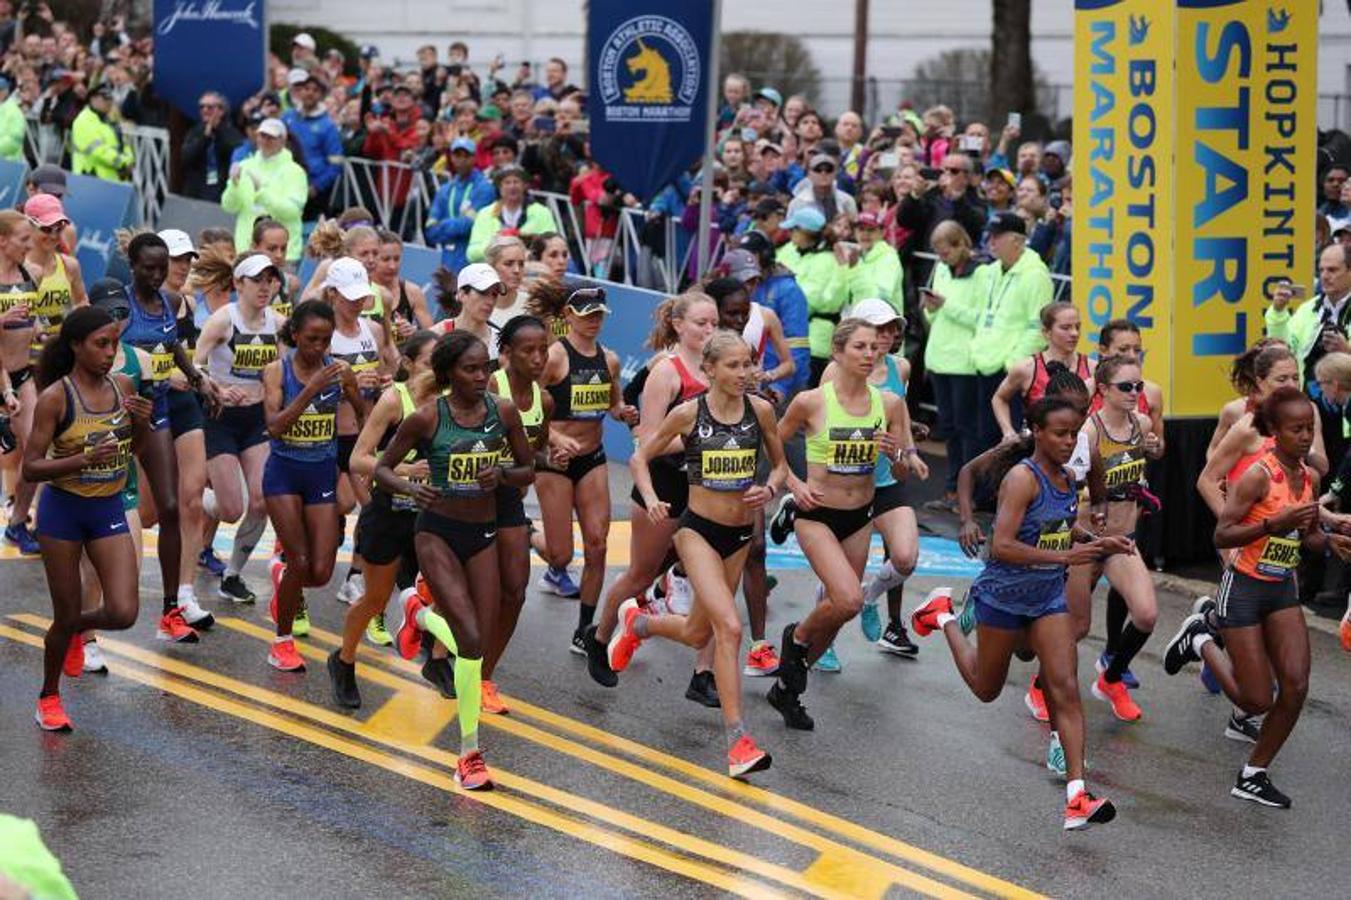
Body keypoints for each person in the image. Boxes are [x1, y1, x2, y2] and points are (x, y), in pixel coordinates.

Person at [911, 396, 1128, 830]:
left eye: (1073, 433)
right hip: (1003, 597)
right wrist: (1068, 559)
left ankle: (1077, 795)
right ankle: (944, 615)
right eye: (1060, 434)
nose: (1069, 442)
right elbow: (1002, 546)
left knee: (1064, 688)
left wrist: (1097, 542)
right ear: (1038, 433)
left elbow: (1060, 529)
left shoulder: (1067, 480)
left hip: (1047, 600)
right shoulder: (1021, 480)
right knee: (985, 688)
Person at [606, 331, 788, 778]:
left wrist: (770, 487)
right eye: (733, 366)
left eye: (747, 364)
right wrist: (649, 498)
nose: (744, 374)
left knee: (695, 633)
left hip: (739, 536)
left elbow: (781, 465)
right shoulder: (689, 414)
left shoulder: (760, 410)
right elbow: (639, 458)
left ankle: (639, 623)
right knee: (728, 628)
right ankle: (738, 741)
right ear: (709, 369)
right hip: (697, 532)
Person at [1164, 388, 1347, 809]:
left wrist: (1330, 541)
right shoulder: (1258, 476)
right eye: (1296, 429)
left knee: (1297, 685)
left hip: (1281, 587)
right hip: (1243, 587)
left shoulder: (1310, 478)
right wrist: (1271, 524)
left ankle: (1253, 773)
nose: (1306, 437)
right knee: (1255, 699)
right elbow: (1222, 534)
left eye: (1310, 428)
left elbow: (1308, 534)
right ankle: (1200, 639)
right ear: (1274, 432)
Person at [384, 330, 535, 790]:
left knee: (478, 644)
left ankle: (418, 613)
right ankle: (469, 754)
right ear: (449, 373)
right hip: (437, 533)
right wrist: (412, 486)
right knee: (469, 639)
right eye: (471, 369)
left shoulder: (502, 412)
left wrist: (503, 475)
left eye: (486, 367)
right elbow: (382, 468)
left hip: (483, 533)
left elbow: (529, 469)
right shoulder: (428, 419)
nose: (482, 376)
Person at [768, 319, 909, 729]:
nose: (870, 354)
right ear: (839, 353)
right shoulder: (812, 401)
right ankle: (794, 640)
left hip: (859, 516)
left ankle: (788, 690)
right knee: (848, 599)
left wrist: (897, 455)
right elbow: (774, 442)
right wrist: (794, 484)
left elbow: (899, 478)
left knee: (839, 612)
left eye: (874, 348)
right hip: (817, 514)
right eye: (860, 347)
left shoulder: (889, 404)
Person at [25, 306, 152, 731]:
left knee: (123, 612)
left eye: (114, 343)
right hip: (63, 512)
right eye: (100, 344)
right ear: (76, 346)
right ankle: (49, 696)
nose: (109, 352)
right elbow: (31, 467)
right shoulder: (56, 397)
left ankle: (74, 629)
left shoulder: (123, 385)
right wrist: (81, 459)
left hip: (107, 508)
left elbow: (134, 450)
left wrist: (143, 425)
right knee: (64, 612)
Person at [589, 293, 716, 698]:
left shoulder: (720, 368)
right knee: (641, 574)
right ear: (678, 325)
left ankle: (703, 674)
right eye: (701, 323)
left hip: (708, 489)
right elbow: (648, 441)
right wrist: (705, 438)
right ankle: (600, 635)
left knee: (714, 583)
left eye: (714, 323)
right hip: (663, 488)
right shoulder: (667, 371)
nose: (710, 330)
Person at [331, 330, 440, 707]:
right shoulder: (395, 400)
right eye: (429, 362)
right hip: (390, 511)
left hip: (430, 514)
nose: (436, 371)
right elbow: (358, 459)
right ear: (408, 364)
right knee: (375, 599)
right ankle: (343, 660)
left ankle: (435, 652)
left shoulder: (448, 403)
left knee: (448, 586)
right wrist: (408, 471)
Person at [119, 233, 220, 641]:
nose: (158, 274)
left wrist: (197, 377)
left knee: (171, 507)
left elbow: (173, 343)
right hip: (118, 418)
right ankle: (86, 627)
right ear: (133, 267)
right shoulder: (119, 306)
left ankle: (170, 611)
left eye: (162, 268)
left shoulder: (167, 302)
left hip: (157, 412)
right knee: (115, 512)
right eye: (149, 268)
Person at [261, 300, 366, 671]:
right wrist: (311, 390)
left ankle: (281, 574)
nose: (318, 348)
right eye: (311, 340)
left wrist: (357, 392)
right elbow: (274, 426)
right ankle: (282, 642)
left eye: (325, 340)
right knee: (300, 559)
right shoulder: (277, 371)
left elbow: (364, 415)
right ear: (294, 335)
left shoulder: (339, 371)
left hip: (321, 471)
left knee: (320, 573)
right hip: (284, 474)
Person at [823, 300, 928, 659]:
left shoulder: (901, 366)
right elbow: (817, 430)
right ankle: (825, 642)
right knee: (839, 575)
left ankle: (870, 598)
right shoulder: (834, 372)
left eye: (891, 329)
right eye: (878, 329)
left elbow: (900, 412)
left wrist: (908, 451)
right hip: (845, 484)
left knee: (905, 557)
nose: (886, 336)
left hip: (886, 481)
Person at [1063, 355, 1163, 722]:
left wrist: (1152, 449)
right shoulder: (1086, 433)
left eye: (1139, 385)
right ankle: (1041, 687)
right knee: (1076, 627)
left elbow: (1155, 451)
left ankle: (1111, 678)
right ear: (1102, 390)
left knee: (1147, 614)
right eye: (1126, 387)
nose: (1135, 393)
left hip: (1123, 539)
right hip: (1085, 541)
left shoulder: (1141, 422)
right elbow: (1067, 490)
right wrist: (1107, 490)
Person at [536, 288, 637, 650]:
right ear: (569, 315)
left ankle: (585, 629)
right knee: (561, 555)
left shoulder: (608, 360)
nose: (594, 321)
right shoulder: (553, 357)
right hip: (555, 462)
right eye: (587, 314)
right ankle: (527, 535)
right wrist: (552, 438)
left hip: (591, 458)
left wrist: (623, 412)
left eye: (599, 315)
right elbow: (522, 406)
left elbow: (614, 402)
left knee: (597, 544)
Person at [193, 253, 283, 605]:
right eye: (257, 280)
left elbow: (285, 369)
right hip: (220, 419)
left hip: (256, 419)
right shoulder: (222, 321)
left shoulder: (276, 323)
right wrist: (214, 387)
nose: (265, 287)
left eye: (270, 280)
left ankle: (232, 576)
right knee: (230, 510)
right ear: (239, 284)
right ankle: (193, 497)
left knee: (261, 500)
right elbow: (194, 366)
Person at [482, 315, 554, 712]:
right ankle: (438, 644)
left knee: (515, 590)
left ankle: (484, 677)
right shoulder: (492, 387)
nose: (539, 357)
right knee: (478, 593)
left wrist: (549, 456)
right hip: (469, 497)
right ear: (506, 352)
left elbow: (532, 454)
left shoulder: (543, 401)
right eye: (529, 350)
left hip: (509, 500)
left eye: (543, 349)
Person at [323, 258, 399, 614]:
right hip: (329, 433)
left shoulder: (374, 330)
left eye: (361, 297)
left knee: (370, 504)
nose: (357, 303)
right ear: (332, 293)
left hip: (365, 432)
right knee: (343, 504)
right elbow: (310, 386)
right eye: (350, 297)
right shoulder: (324, 334)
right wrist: (349, 382)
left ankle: (355, 575)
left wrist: (381, 381)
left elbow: (386, 374)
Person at [969, 212, 1054, 452]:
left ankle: (1007, 490)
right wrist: (976, 349)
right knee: (984, 439)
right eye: (990, 236)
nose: (990, 241)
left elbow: (1037, 328)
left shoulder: (1036, 275)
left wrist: (1012, 365)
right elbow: (983, 315)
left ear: (1017, 240)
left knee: (1010, 443)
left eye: (997, 236)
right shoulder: (991, 270)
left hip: (1009, 371)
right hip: (984, 364)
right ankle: (985, 490)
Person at [921, 220, 983, 508]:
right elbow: (937, 318)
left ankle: (966, 489)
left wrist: (946, 305)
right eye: (938, 254)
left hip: (965, 363)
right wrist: (932, 309)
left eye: (945, 253)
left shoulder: (982, 274)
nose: (941, 259)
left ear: (960, 245)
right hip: (939, 359)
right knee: (948, 427)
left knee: (966, 428)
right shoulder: (943, 271)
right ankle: (952, 485)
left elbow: (979, 318)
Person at [992, 302, 1091, 440]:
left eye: (1077, 327)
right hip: (1039, 451)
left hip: (1082, 451)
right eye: (1065, 328)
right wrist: (1008, 431)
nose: (1074, 333)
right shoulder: (1026, 368)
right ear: (1046, 332)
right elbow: (999, 398)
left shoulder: (1092, 368)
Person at [774, 207, 845, 387]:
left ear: (806, 233)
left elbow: (806, 300)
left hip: (814, 343)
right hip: (784, 339)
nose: (789, 233)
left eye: (793, 229)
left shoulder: (827, 261)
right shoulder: (790, 250)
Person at [220, 118, 308, 263]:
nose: (266, 140)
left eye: (271, 137)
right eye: (262, 135)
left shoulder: (295, 172)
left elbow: (293, 211)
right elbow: (229, 206)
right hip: (246, 252)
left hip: (282, 255)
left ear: (282, 140)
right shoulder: (245, 165)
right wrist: (234, 185)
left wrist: (261, 192)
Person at [425, 136, 496, 273]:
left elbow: (473, 225)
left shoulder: (484, 188)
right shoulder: (445, 189)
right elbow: (430, 230)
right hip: (448, 258)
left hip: (473, 259)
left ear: (474, 158)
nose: (461, 160)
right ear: (451, 157)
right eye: (457, 155)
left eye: (466, 156)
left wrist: (444, 224)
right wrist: (459, 223)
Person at [282, 69, 344, 218]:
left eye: (315, 90)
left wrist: (316, 186)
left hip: (312, 191)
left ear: (321, 95)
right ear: (299, 92)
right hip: (284, 185)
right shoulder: (287, 117)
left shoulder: (328, 126)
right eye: (306, 89)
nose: (309, 93)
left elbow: (336, 164)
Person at [466, 164, 558, 263]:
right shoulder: (485, 214)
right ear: (499, 187)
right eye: (507, 182)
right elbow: (471, 254)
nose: (512, 186)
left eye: (516, 182)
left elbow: (553, 247)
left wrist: (526, 241)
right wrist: (498, 242)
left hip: (533, 272)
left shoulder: (542, 212)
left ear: (524, 186)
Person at [430, 262, 505, 357]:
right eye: (483, 292)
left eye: (494, 294)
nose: (490, 301)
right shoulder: (435, 336)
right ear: (462, 294)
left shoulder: (502, 343)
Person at [181, 91, 244, 203]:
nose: (205, 110)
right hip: (197, 190)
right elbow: (186, 157)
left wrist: (218, 131)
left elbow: (235, 152)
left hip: (221, 189)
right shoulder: (195, 132)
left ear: (221, 111)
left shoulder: (230, 132)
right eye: (202, 107)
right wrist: (204, 137)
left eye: (210, 107)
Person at [373, 230, 434, 340]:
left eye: (396, 259)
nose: (392, 266)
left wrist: (414, 332)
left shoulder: (412, 292)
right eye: (385, 259)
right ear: (373, 259)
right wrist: (391, 332)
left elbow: (431, 335)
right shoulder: (362, 292)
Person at [70, 83, 132, 181]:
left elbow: (125, 144)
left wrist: (129, 161)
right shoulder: (83, 121)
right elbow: (98, 151)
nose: (109, 102)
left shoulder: (110, 120)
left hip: (114, 180)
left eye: (111, 98)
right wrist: (123, 163)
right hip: (91, 180)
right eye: (104, 98)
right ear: (92, 99)